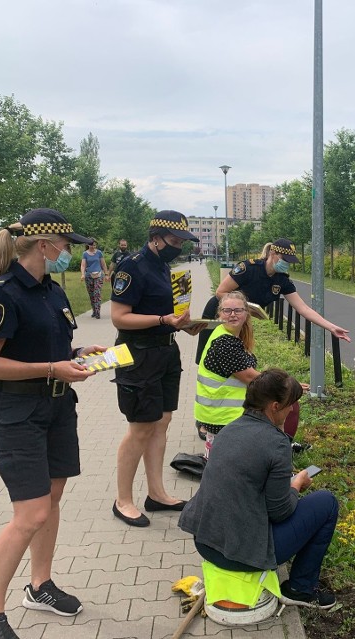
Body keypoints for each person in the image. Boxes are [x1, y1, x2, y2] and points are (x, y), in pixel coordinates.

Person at [0, 209, 106, 639]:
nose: (71, 254)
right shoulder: (1, 295)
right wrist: (52, 368)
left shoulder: (53, 292)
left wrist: (79, 353)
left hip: (58, 409)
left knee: (52, 499)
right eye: (67, 247)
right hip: (19, 414)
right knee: (29, 515)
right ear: (44, 246)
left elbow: (49, 347)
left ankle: (40, 585)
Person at [179, 368, 340, 609]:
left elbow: (243, 482)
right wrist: (295, 486)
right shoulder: (277, 443)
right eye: (290, 406)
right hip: (240, 555)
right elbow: (280, 512)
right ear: (275, 406)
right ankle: (301, 588)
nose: (292, 411)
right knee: (327, 503)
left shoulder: (229, 429)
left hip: (204, 541)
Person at [110, 210, 204, 527]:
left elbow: (168, 314)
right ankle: (123, 500)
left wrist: (184, 326)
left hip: (165, 353)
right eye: (174, 240)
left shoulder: (165, 268)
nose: (179, 246)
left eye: (182, 241)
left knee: (160, 424)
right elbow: (120, 317)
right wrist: (163, 321)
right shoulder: (131, 268)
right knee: (140, 428)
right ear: (155, 238)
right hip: (137, 356)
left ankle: (157, 493)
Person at [195, 238, 350, 364]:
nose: (287, 264)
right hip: (218, 314)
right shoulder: (249, 268)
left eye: (289, 262)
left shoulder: (282, 280)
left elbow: (303, 309)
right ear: (273, 253)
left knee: (235, 361)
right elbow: (221, 292)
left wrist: (331, 327)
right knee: (209, 359)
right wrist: (246, 308)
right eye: (285, 260)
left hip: (240, 320)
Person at [195, 291, 259, 457]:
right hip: (224, 416)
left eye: (237, 310)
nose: (232, 315)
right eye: (227, 311)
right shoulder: (225, 342)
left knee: (221, 461)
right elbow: (250, 377)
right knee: (229, 463)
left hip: (221, 414)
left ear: (246, 313)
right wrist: (284, 384)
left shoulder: (227, 334)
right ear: (219, 314)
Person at [80, 240, 107, 318]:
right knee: (91, 294)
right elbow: (83, 265)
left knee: (97, 293)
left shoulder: (99, 253)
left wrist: (106, 273)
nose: (93, 246)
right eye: (92, 245)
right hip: (89, 275)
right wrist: (82, 274)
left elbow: (103, 264)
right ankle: (94, 310)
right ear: (88, 245)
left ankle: (98, 312)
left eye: (94, 245)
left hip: (98, 275)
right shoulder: (85, 254)